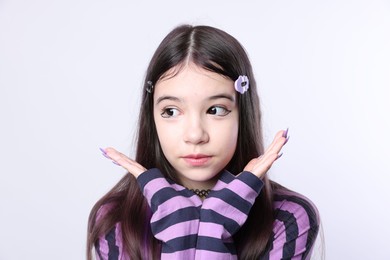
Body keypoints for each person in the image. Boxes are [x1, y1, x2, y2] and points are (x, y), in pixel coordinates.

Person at [87, 24, 320, 260]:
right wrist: (179, 225)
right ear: (152, 118)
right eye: (171, 111)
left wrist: (214, 224)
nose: (195, 135)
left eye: (215, 109)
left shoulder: (287, 216)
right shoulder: (115, 219)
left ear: (243, 114)